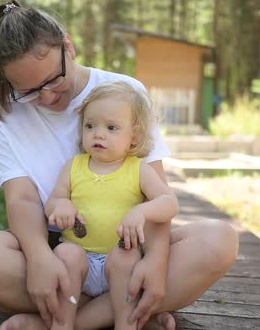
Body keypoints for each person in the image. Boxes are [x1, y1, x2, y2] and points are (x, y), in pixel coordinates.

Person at [0, 0, 239, 330]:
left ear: (67, 46)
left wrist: (156, 263)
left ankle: (65, 320)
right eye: (27, 91)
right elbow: (23, 200)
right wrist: (41, 258)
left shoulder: (125, 93)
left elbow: (154, 198)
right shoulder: (6, 114)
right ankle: (126, 311)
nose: (45, 98)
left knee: (219, 239)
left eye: (52, 81)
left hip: (129, 250)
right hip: (64, 252)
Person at [44, 81, 180, 330]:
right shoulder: (73, 167)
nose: (98, 133)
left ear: (134, 137)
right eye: (90, 125)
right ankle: (61, 324)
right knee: (65, 254)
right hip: (79, 261)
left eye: (111, 127)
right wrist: (61, 206)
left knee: (126, 257)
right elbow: (53, 201)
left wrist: (141, 211)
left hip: (118, 265)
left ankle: (125, 324)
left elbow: (169, 203)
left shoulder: (137, 169)